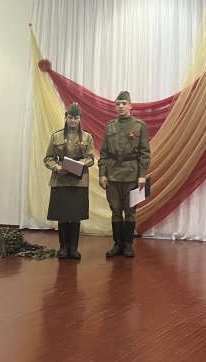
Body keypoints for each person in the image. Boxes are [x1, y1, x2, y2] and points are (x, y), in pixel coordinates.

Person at [98, 91, 150, 258]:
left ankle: (128, 245)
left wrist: (142, 175)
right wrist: (102, 174)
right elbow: (104, 153)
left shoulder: (139, 126)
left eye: (124, 103)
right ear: (115, 107)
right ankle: (117, 244)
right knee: (115, 210)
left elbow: (144, 153)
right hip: (112, 175)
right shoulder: (110, 126)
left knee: (130, 211)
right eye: (118, 104)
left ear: (130, 106)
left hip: (132, 175)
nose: (120, 106)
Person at [43, 103, 95, 259]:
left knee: (75, 215)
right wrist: (56, 167)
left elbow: (90, 158)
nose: (73, 121)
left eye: (76, 118)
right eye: (70, 117)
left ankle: (73, 248)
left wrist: (78, 165)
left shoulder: (87, 137)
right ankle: (63, 248)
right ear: (66, 118)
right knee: (62, 215)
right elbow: (48, 158)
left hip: (79, 181)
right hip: (60, 180)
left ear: (80, 119)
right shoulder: (56, 136)